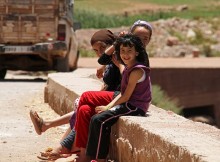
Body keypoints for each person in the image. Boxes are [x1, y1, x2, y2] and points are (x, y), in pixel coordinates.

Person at [30, 29, 121, 160]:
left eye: (103, 47)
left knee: (83, 101)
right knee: (83, 109)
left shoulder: (119, 60)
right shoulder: (110, 63)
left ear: (112, 45)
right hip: (108, 99)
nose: (100, 52)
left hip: (116, 101)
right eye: (96, 50)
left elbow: (125, 84)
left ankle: (62, 144)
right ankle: (77, 151)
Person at [77, 34, 152, 162]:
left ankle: (100, 159)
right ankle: (92, 156)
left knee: (100, 120)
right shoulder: (129, 67)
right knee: (96, 118)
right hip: (129, 103)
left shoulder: (136, 71)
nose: (125, 54)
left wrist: (107, 107)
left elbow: (126, 95)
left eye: (129, 51)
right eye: (122, 51)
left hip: (135, 107)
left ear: (137, 53)